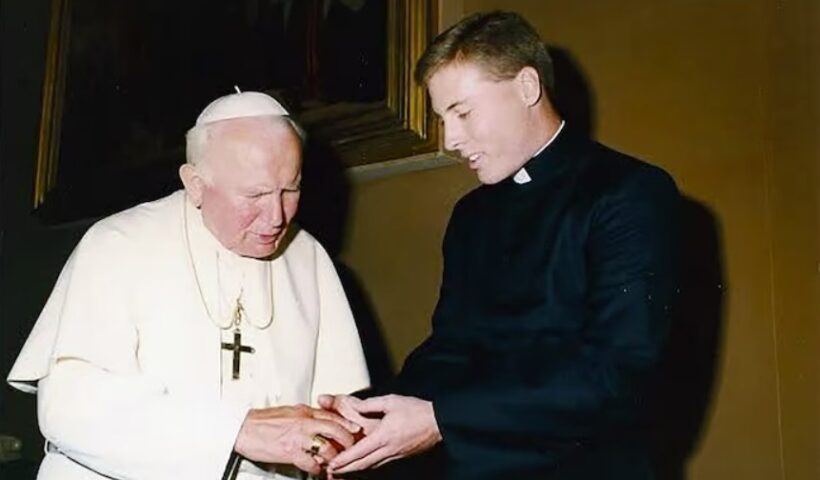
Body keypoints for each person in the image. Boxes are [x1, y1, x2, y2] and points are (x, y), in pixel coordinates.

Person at [321, 10, 679, 480]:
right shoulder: (471, 215)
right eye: (442, 118)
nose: (451, 139)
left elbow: (618, 378)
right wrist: (368, 416)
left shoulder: (629, 193)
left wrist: (440, 418)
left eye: (463, 112)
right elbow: (452, 350)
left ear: (527, 87)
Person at [7, 90, 370, 479]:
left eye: (291, 189)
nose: (277, 217)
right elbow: (67, 410)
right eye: (256, 194)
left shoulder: (309, 259)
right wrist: (235, 431)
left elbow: (328, 416)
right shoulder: (118, 243)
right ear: (195, 183)